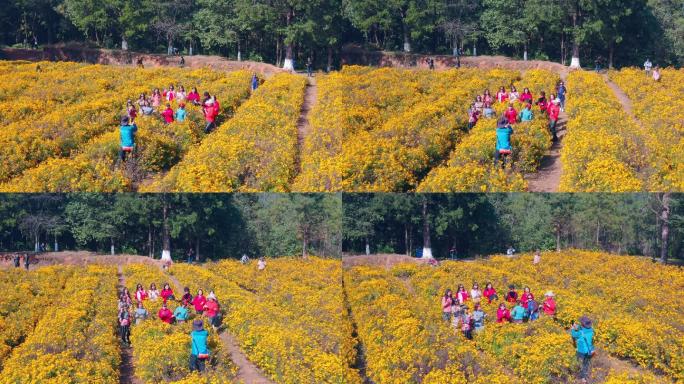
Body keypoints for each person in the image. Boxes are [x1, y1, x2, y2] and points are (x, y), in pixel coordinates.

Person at [571, 316, 595, 383]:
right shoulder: (591, 330)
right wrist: (577, 326)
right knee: (586, 364)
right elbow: (583, 329)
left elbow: (574, 335)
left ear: (582, 324)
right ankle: (585, 376)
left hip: (581, 351)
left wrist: (572, 329)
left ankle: (581, 377)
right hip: (589, 350)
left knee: (580, 363)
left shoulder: (580, 333)